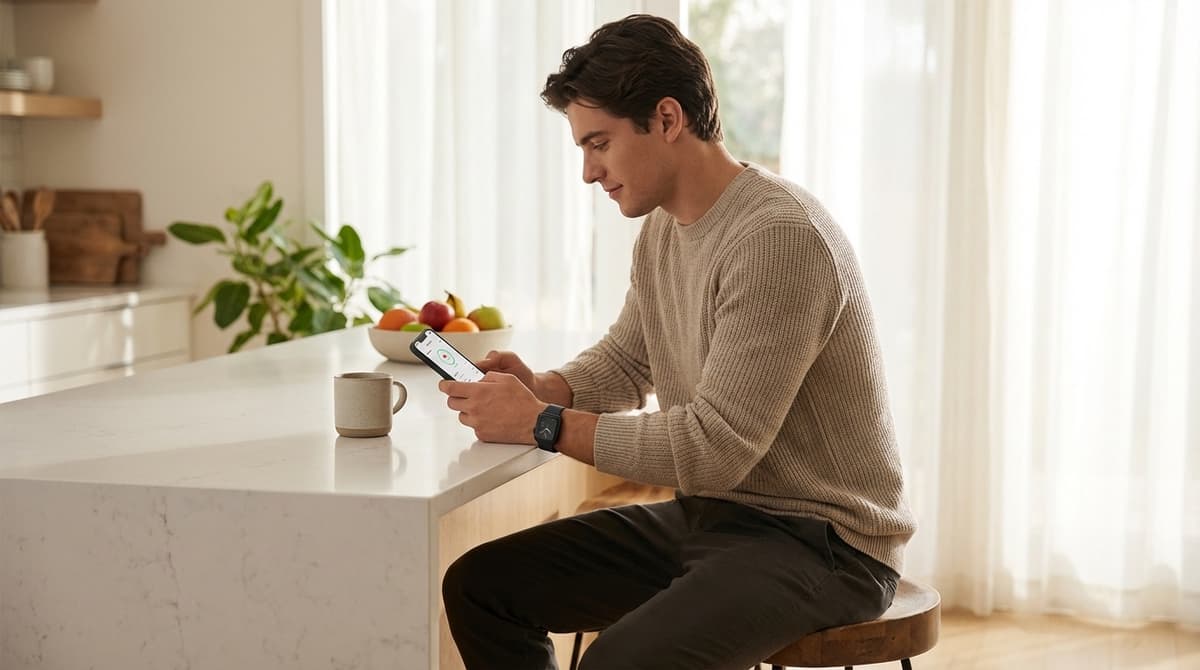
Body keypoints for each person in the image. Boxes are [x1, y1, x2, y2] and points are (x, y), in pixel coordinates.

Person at [438, 14, 916, 670]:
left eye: (598, 143)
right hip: (716, 519)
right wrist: (547, 389)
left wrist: (545, 424)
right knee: (480, 586)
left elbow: (714, 447)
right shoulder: (665, 231)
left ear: (666, 119)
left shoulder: (778, 237)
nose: (587, 172)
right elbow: (629, 357)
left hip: (825, 546)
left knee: (618, 662)